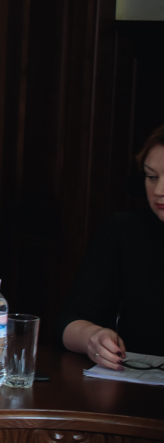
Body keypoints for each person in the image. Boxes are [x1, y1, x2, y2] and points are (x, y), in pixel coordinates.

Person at [59, 123, 164, 367]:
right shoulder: (124, 230)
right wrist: (92, 337)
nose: (159, 190)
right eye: (151, 177)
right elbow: (68, 323)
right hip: (132, 381)